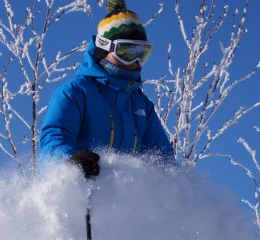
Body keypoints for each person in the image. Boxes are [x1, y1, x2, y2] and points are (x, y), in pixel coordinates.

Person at [39, 0, 175, 178]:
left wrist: (179, 188)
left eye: (142, 53)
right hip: (82, 195)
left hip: (129, 202)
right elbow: (54, 137)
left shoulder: (142, 106)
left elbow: (165, 161)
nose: (136, 61)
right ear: (104, 49)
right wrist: (70, 162)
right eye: (127, 52)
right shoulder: (76, 92)